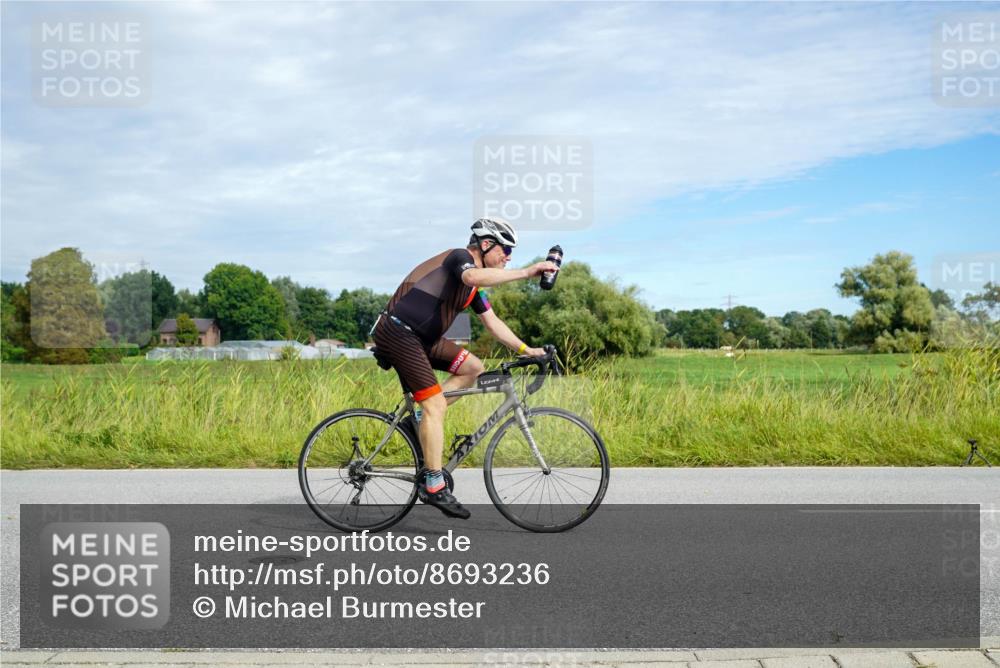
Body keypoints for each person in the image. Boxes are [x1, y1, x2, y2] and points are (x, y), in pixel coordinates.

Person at [371, 217, 559, 519]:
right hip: (398, 332)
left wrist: (530, 350)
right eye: (505, 250)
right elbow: (472, 277)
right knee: (435, 404)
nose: (508, 258)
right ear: (485, 245)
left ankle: (420, 420)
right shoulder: (460, 259)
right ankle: (433, 484)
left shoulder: (473, 289)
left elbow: (493, 324)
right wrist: (528, 271)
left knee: (472, 367)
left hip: (423, 338)